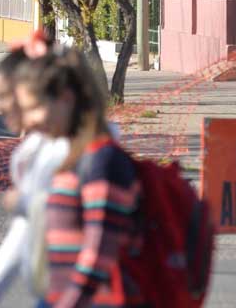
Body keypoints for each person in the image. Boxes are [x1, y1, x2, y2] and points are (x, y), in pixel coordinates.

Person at [15, 48, 144, 308]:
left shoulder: (103, 162)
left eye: (34, 109)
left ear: (65, 98)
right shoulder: (73, 158)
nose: (27, 122)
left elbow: (100, 253)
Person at [0, 32, 70, 308]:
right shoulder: (34, 150)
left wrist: (25, 201)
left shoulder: (71, 153)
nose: (0, 106)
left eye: (5, 96)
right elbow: (22, 236)